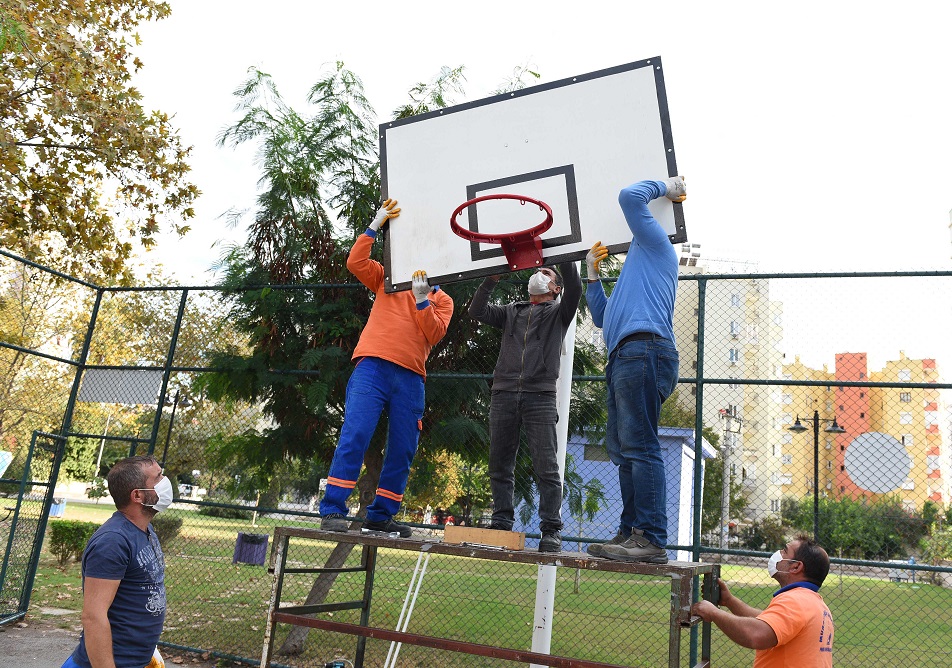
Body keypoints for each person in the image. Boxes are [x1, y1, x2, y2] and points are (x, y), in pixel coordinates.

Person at [320, 199, 454, 537]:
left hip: (410, 377)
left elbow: (434, 333)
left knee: (402, 449)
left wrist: (423, 300)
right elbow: (355, 262)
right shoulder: (389, 278)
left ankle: (381, 516)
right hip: (373, 367)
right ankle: (333, 510)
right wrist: (374, 225)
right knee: (356, 434)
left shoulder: (443, 299)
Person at [585, 177, 684, 564]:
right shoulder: (632, 274)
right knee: (622, 450)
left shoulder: (657, 248)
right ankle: (631, 534)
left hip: (646, 350)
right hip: (625, 354)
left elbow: (629, 196)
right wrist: (593, 275)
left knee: (640, 447)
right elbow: (601, 318)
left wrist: (668, 186)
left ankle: (651, 538)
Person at [469, 262, 582, 552]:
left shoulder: (559, 312)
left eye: (547, 274)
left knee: (546, 466)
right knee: (499, 462)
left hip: (540, 396)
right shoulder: (511, 311)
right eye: (539, 270)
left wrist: (564, 257)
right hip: (504, 393)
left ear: (556, 289)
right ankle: (501, 523)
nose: (539, 275)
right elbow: (477, 311)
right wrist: (490, 280)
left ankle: (551, 531)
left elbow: (576, 288)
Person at [63, 455, 171, 668]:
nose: (165, 481)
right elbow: (94, 616)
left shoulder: (144, 530)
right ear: (138, 495)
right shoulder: (113, 541)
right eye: (158, 477)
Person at [691, 535, 835, 667]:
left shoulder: (795, 601)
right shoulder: (814, 603)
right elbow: (768, 622)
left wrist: (713, 613)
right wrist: (729, 601)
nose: (778, 553)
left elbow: (757, 635)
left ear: (796, 566)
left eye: (784, 551)